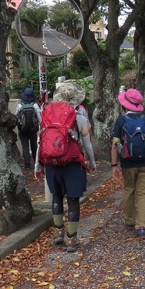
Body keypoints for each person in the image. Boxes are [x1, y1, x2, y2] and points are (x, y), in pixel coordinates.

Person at [36, 81, 96, 252]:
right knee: (73, 200)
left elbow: (40, 140)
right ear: (75, 99)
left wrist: (38, 165)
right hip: (73, 164)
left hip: (51, 164)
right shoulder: (80, 118)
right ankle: (72, 239)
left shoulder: (46, 114)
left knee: (57, 196)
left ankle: (58, 234)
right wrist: (91, 163)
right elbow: (87, 144)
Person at [111, 88, 145, 238]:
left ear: (124, 105)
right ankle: (141, 226)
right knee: (143, 193)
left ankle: (129, 220)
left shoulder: (121, 121)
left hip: (127, 162)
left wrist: (114, 165)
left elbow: (115, 144)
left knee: (129, 189)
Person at [15, 87, 41, 169]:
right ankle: (36, 162)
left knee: (25, 146)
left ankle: (27, 164)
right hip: (34, 130)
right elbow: (40, 119)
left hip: (22, 130)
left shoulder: (20, 105)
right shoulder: (35, 105)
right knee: (34, 146)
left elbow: (16, 116)